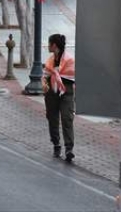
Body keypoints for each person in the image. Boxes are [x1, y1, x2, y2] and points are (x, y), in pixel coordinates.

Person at [42, 33, 76, 162]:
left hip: (66, 91)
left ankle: (69, 149)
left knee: (67, 118)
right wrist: (44, 83)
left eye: (49, 44)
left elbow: (73, 76)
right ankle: (56, 143)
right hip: (52, 91)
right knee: (52, 117)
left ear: (54, 45)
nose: (48, 46)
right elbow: (46, 74)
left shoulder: (69, 60)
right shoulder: (50, 60)